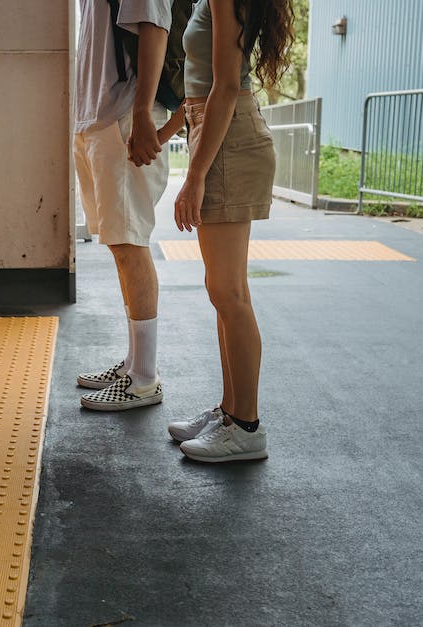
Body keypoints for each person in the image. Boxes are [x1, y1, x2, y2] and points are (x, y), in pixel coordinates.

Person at [162, 0, 294, 462]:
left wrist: (194, 175)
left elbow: (225, 84)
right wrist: (170, 130)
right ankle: (230, 411)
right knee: (223, 290)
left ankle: (247, 426)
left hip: (228, 139)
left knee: (229, 292)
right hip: (219, 129)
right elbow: (203, 84)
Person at [75, 0, 174, 412]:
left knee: (131, 243)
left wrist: (141, 115)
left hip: (124, 116)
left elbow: (154, 27)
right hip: (96, 119)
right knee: (120, 245)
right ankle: (134, 363)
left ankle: (145, 380)